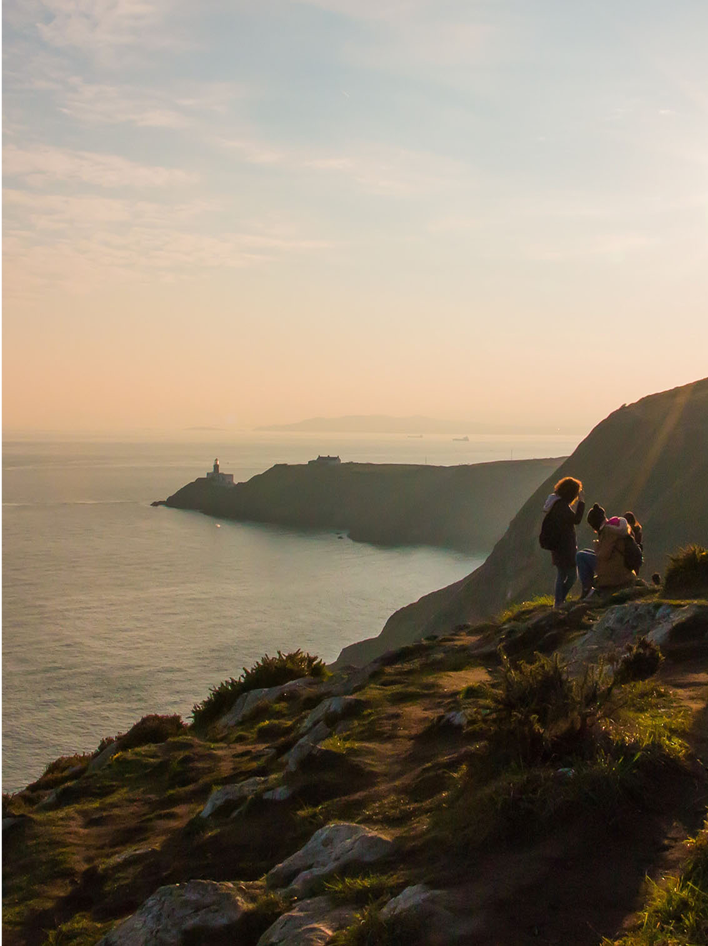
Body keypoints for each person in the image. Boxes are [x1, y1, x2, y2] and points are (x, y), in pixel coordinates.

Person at [542, 477, 585, 607]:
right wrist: (582, 502)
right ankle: (559, 601)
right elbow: (576, 520)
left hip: (558, 546)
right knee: (571, 576)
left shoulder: (556, 504)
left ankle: (559, 601)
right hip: (565, 547)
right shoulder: (562, 507)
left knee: (562, 574)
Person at [577, 504, 637, 596]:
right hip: (623, 567)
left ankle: (587, 590)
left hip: (615, 571)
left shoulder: (608, 531)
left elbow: (603, 555)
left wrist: (597, 545)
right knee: (586, 552)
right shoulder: (618, 527)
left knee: (580, 556)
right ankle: (588, 589)